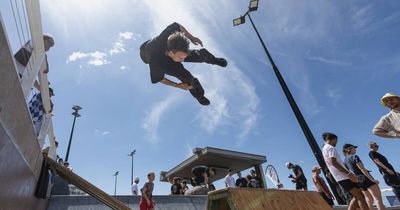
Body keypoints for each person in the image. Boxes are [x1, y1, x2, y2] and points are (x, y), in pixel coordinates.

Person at [139, 22, 228, 106]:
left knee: (199, 55)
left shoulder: (167, 35)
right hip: (161, 61)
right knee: (187, 78)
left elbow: (178, 25)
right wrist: (177, 85)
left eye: (184, 57)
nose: (183, 60)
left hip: (169, 48)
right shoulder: (156, 62)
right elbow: (160, 79)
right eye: (181, 58)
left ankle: (214, 60)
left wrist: (191, 37)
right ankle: (199, 96)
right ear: (171, 53)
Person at [322, 132, 369, 210]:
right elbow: (334, 163)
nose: (336, 143)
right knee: (361, 196)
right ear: (332, 139)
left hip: (338, 177)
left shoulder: (324, 149)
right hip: (343, 176)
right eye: (336, 141)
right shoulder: (330, 148)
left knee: (356, 196)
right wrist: (349, 173)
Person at [343, 144, 385, 210]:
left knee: (369, 200)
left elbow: (350, 171)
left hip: (358, 180)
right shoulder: (354, 156)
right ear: (349, 149)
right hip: (365, 178)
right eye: (354, 148)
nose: (355, 149)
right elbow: (361, 168)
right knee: (378, 199)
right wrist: (372, 179)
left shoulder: (345, 160)